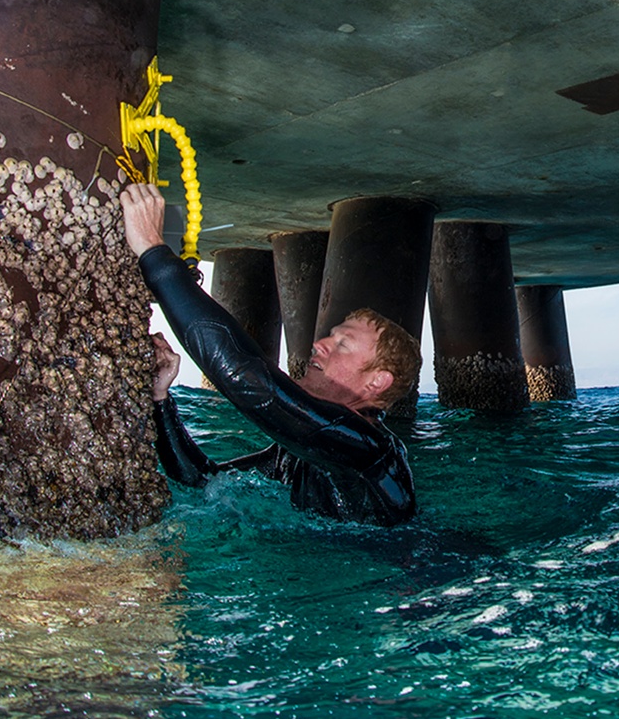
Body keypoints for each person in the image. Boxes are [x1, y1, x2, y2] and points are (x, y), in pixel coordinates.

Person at [120, 183, 420, 526]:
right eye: (329, 337)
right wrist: (161, 400)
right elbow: (203, 481)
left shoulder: (371, 452)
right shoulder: (295, 454)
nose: (319, 344)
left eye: (343, 344)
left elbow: (251, 381)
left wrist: (153, 253)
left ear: (377, 381)